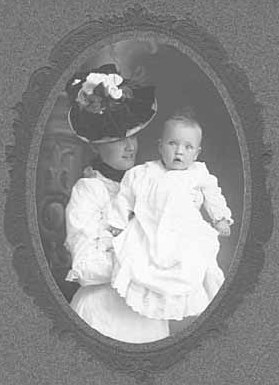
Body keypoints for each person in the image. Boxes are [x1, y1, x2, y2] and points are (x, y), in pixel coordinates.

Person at [64, 63, 169, 343]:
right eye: (118, 139)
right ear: (95, 145)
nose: (130, 146)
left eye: (132, 135)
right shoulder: (89, 191)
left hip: (148, 315)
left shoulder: (149, 183)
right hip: (101, 317)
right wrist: (139, 259)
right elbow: (85, 266)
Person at [108, 109, 233, 322]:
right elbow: (125, 197)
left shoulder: (197, 173)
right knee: (140, 261)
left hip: (185, 231)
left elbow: (213, 194)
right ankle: (149, 302)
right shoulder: (143, 173)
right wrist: (117, 222)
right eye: (172, 144)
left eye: (188, 147)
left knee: (196, 261)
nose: (179, 152)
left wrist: (219, 218)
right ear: (160, 146)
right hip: (149, 229)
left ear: (197, 153)